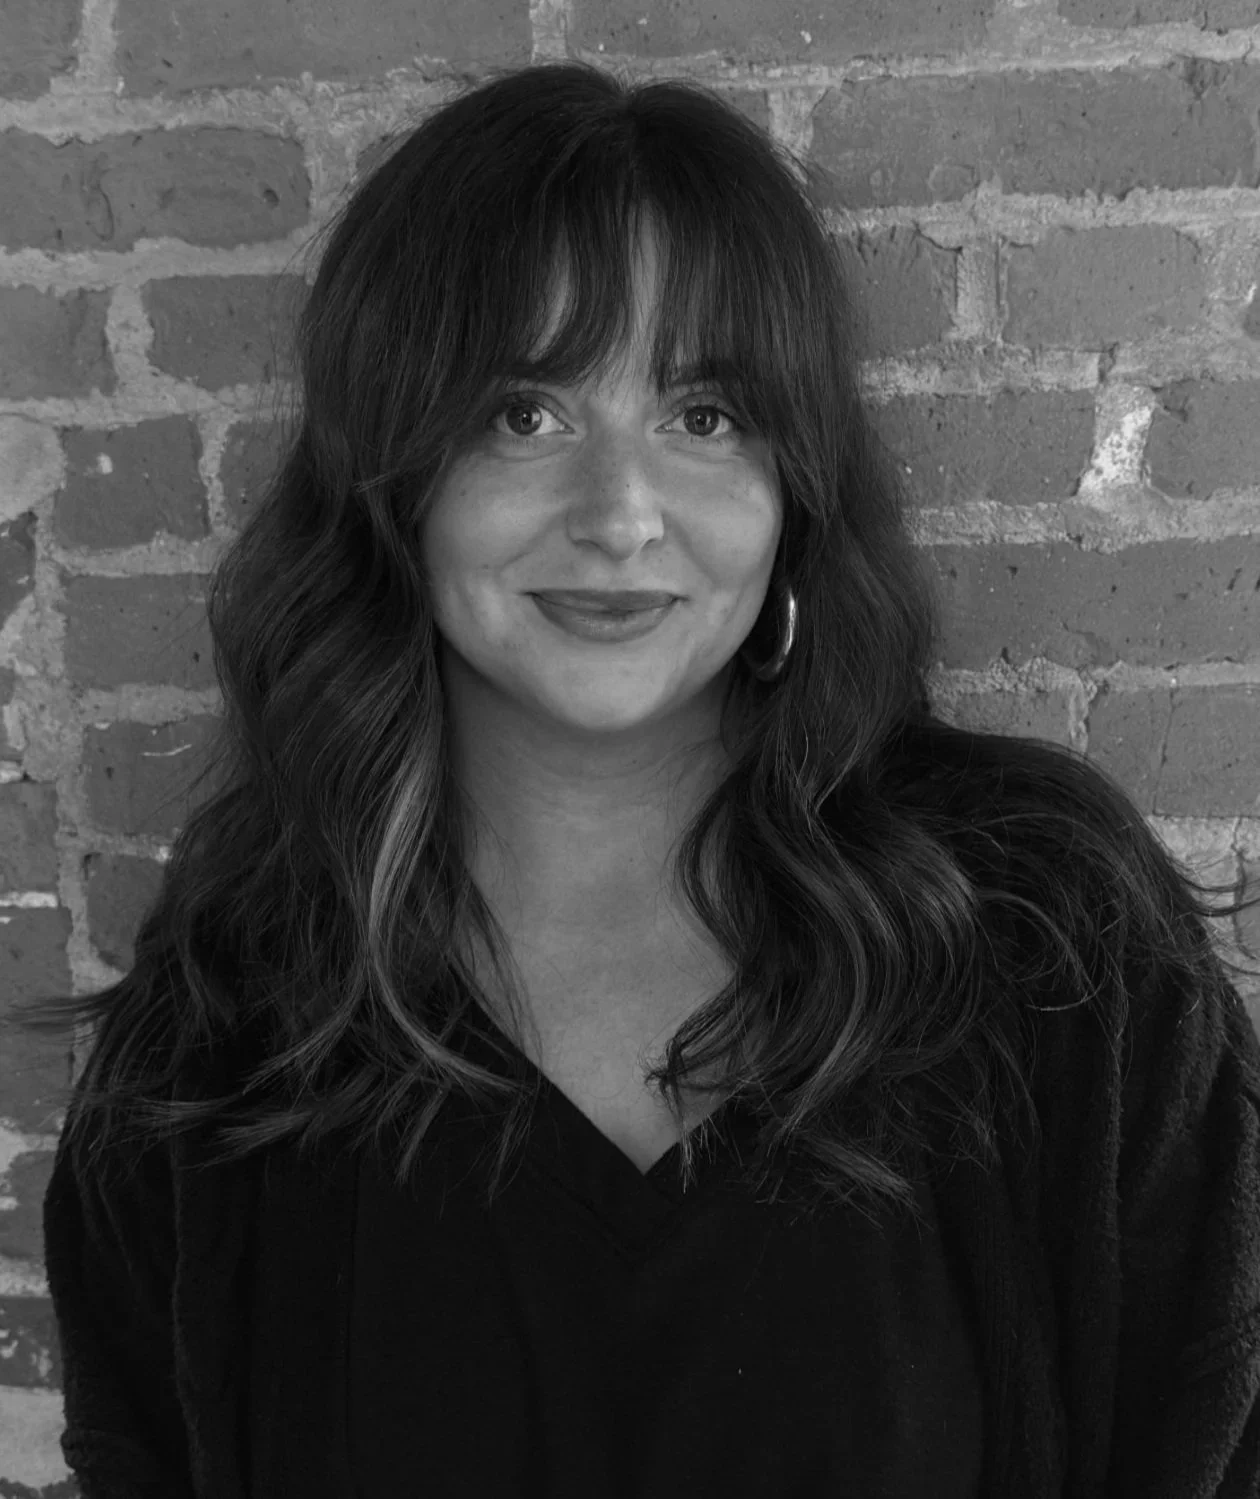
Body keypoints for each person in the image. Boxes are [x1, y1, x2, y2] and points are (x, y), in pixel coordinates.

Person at [13, 59, 1260, 1499]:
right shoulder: (230, 1021)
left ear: (794, 485)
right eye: (522, 415)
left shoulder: (1043, 935)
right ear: (392, 479)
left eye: (704, 415)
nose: (618, 516)